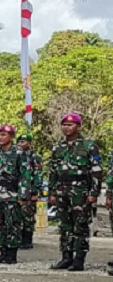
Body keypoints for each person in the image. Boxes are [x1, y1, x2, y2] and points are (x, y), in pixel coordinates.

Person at [47, 114, 102, 271]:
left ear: (78, 126)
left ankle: (79, 259)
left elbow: (96, 171)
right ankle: (66, 257)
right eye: (64, 124)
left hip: (81, 191)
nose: (66, 127)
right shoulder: (58, 147)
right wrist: (52, 191)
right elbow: (53, 171)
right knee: (64, 225)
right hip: (62, 190)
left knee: (80, 225)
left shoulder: (89, 146)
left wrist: (93, 192)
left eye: (70, 124)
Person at [0, 125, 32, 265]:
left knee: (12, 224)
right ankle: (2, 252)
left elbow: (25, 175)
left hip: (12, 194)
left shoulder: (20, 153)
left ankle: (12, 254)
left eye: (3, 135)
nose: (0, 137)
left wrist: (23, 195)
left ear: (11, 137)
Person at [17, 135, 42, 249]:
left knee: (28, 216)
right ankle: (19, 238)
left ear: (29, 143)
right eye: (19, 142)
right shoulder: (17, 156)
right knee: (18, 215)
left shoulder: (34, 157)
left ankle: (27, 240)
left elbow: (38, 174)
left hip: (29, 190)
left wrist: (36, 191)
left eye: (23, 141)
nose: (20, 144)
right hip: (18, 190)